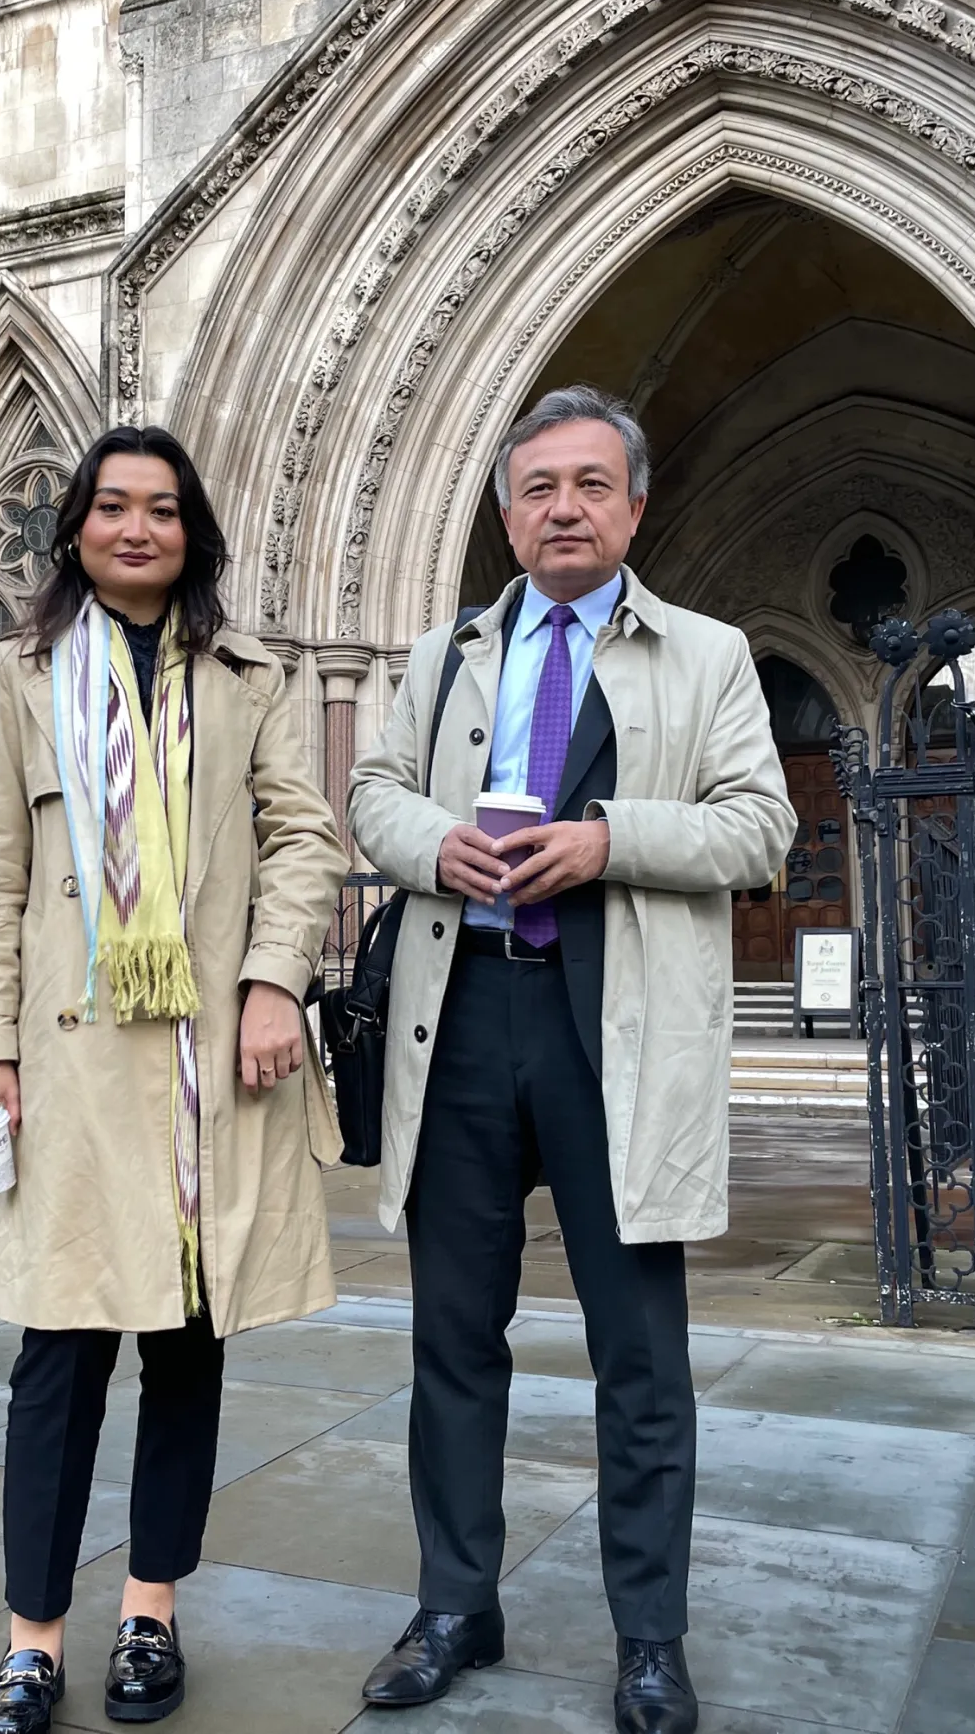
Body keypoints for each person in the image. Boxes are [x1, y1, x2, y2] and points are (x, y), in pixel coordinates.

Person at [345, 386, 795, 1734]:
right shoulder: (440, 657)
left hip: (617, 1029)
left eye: (591, 485)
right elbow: (370, 792)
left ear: (635, 506)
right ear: (504, 512)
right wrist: (434, 845)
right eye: (538, 487)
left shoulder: (706, 655)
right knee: (452, 1341)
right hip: (467, 1013)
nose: (563, 509)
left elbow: (760, 830)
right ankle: (453, 1605)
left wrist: (611, 842)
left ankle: (648, 1638)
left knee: (640, 1357)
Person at [0, 424, 348, 1734]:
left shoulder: (249, 681)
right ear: (74, 531)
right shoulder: (19, 680)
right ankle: (32, 1644)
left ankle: (151, 1617)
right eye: (110, 507)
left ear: (194, 534)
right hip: (65, 1071)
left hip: (205, 1076)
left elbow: (303, 839)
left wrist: (275, 979)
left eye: (161, 509)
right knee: (56, 1362)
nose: (135, 528)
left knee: (185, 1357)